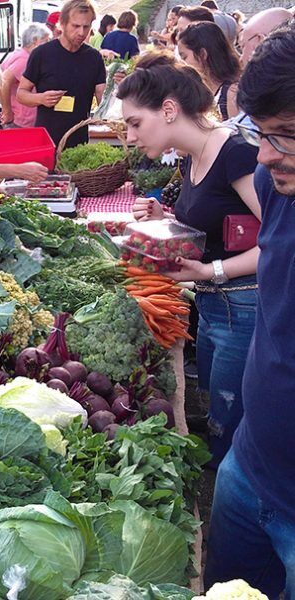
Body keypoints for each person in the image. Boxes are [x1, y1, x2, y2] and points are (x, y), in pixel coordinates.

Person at [117, 52, 260, 470]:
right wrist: (168, 220)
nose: (129, 136)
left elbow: (282, 239)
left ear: (168, 109)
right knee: (220, 413)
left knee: (233, 428)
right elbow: (214, 223)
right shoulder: (191, 157)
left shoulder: (236, 153)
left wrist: (210, 271)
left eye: (134, 123)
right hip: (215, 304)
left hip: (246, 306)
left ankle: (240, 515)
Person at [204, 24, 295, 596]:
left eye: (284, 135)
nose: (263, 154)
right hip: (249, 467)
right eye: (261, 132)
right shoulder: (278, 180)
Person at [17, 0, 107, 148]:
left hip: (78, 142)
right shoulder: (42, 54)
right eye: (76, 26)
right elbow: (21, 93)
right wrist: (41, 98)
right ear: (62, 24)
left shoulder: (94, 58)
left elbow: (102, 98)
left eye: (86, 27)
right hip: (46, 140)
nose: (81, 32)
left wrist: (116, 86)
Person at [177, 22, 241, 120]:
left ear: (202, 54)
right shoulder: (197, 90)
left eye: (184, 57)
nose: (181, 64)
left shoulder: (232, 93)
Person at [0, 23, 51, 129]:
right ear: (35, 41)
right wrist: (7, 111)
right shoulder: (24, 60)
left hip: (19, 119)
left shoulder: (18, 53)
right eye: (46, 41)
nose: (48, 45)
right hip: (21, 121)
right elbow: (3, 82)